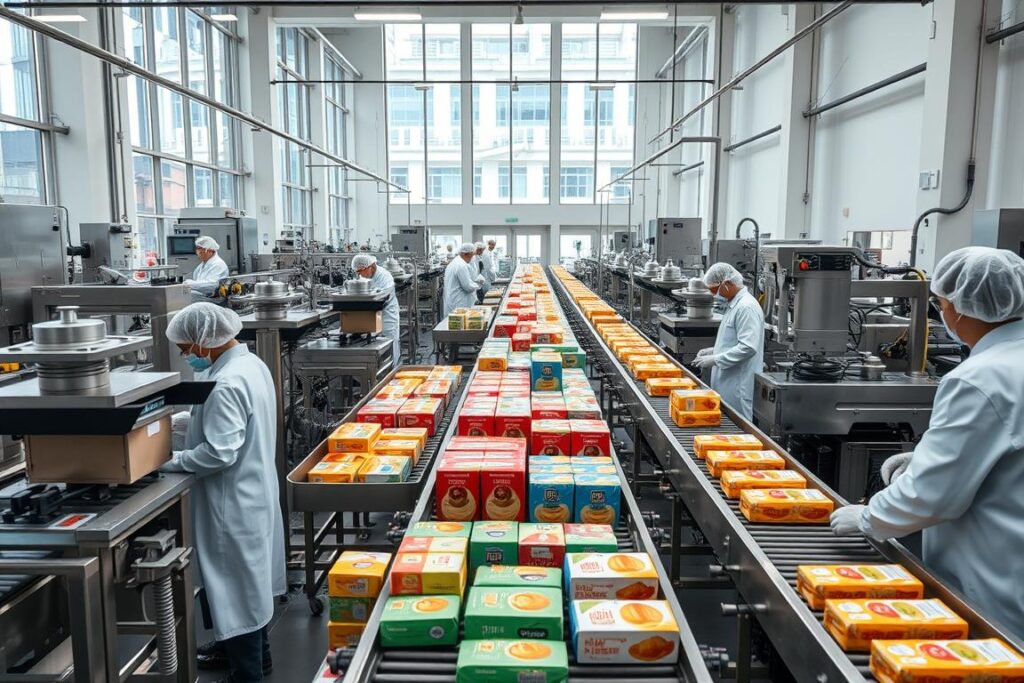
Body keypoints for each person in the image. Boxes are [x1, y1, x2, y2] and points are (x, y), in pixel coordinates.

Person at [831, 246, 1024, 640]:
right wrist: (923, 457)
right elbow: (1003, 453)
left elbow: (933, 496)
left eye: (939, 304)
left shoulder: (979, 377)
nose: (940, 313)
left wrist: (869, 518)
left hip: (992, 583)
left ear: (960, 308)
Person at [163, 303, 285, 682]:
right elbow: (219, 420)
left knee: (237, 590)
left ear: (204, 342)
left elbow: (219, 451)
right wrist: (177, 420)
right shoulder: (249, 365)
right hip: (253, 492)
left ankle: (247, 673)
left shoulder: (226, 383)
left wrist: (168, 461)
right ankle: (256, 656)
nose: (187, 357)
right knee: (248, 585)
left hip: (230, 506)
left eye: (186, 349)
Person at [693, 262, 764, 420]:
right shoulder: (735, 305)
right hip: (728, 383)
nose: (713, 294)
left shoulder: (746, 307)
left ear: (727, 284)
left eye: (713, 289)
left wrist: (715, 359)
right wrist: (714, 350)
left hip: (738, 386)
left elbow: (748, 347)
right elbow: (734, 341)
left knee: (738, 431)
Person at [353, 253, 401, 367]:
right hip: (372, 313)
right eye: (357, 272)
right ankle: (377, 372)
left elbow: (383, 298)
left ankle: (393, 369)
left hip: (387, 313)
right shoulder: (364, 276)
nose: (359, 274)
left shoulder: (385, 276)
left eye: (361, 271)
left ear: (371, 266)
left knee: (390, 340)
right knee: (374, 343)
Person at [443, 242, 484, 318]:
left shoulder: (455, 262)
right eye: (472, 256)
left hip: (453, 301)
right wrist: (479, 284)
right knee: (458, 327)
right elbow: (468, 287)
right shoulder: (461, 265)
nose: (472, 259)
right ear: (466, 254)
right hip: (459, 303)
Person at [185, 236, 231, 303]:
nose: (197, 252)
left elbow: (212, 285)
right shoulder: (200, 266)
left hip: (214, 301)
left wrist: (190, 284)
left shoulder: (218, 264)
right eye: (197, 249)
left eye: (200, 249)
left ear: (210, 250)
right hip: (204, 298)